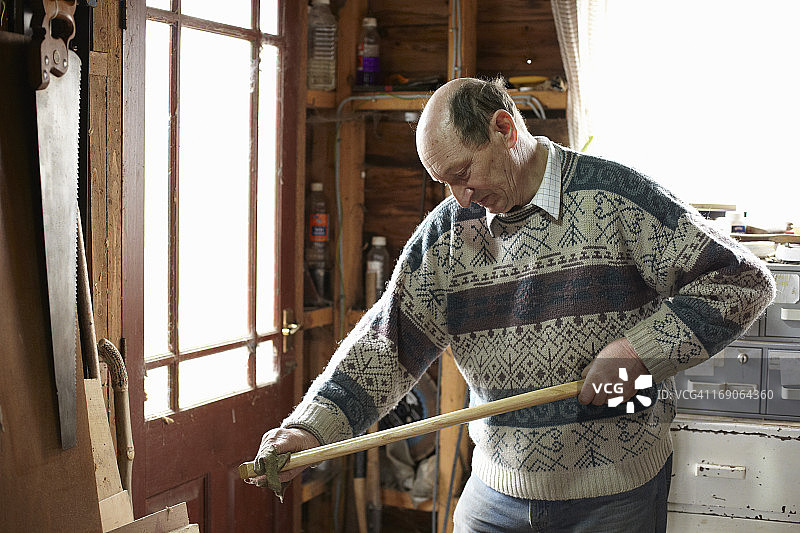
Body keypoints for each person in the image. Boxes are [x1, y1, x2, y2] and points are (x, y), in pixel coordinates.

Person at [253, 77, 775, 532]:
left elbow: (741, 281)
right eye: (445, 183)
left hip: (617, 490)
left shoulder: (616, 196)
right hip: (497, 490)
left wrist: (640, 352)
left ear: (504, 129)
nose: (459, 197)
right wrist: (310, 428)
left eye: (463, 173)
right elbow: (385, 347)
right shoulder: (448, 235)